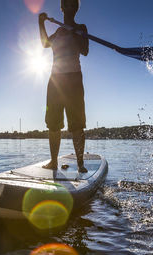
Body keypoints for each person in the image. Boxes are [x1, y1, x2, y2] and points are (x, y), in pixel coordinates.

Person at [39, 0, 89, 173]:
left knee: (77, 124)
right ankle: (53, 161)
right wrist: (41, 23)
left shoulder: (81, 27)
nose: (69, 8)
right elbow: (45, 44)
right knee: (53, 123)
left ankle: (81, 163)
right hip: (55, 80)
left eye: (72, 6)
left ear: (76, 9)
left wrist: (74, 32)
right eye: (66, 5)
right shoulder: (58, 30)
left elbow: (84, 50)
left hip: (74, 79)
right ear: (61, 8)